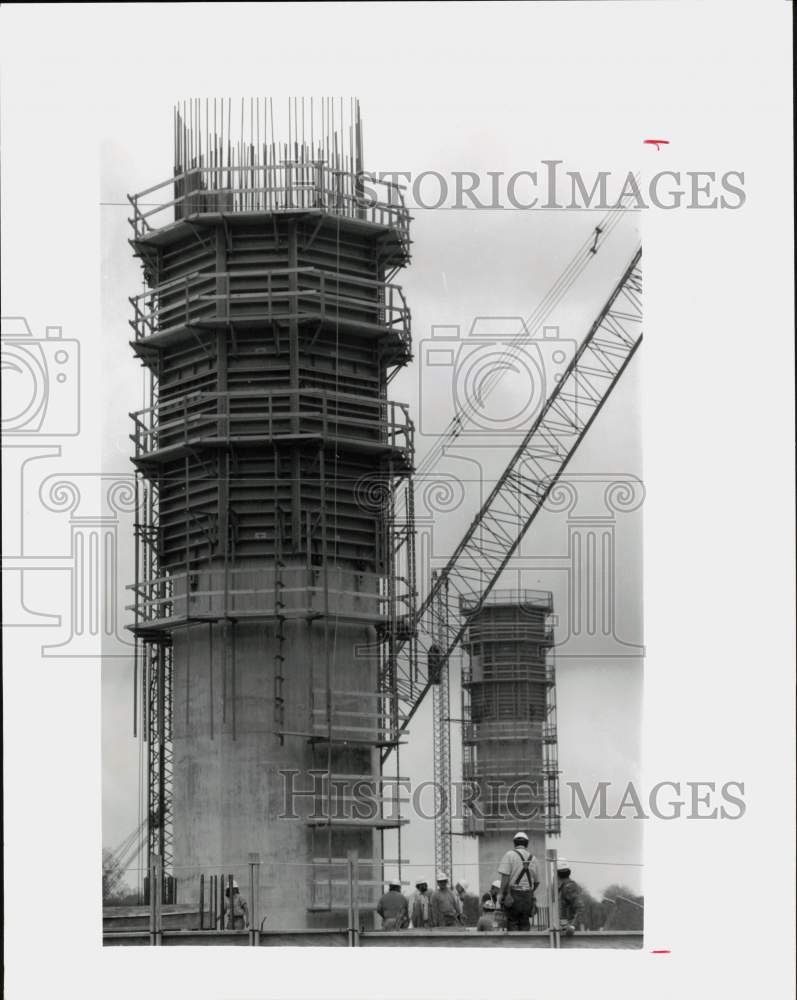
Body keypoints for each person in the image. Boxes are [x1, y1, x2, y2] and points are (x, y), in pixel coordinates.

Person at [497, 831, 539, 931]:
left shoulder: (509, 855)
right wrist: (530, 893)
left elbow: (505, 877)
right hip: (528, 897)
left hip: (513, 896)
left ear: (514, 843)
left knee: (512, 923)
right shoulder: (533, 859)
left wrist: (501, 894)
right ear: (527, 844)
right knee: (525, 924)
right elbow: (537, 882)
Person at [556, 860, 584, 936]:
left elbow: (580, 908)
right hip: (564, 930)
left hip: (569, 932)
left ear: (557, 874)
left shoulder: (570, 887)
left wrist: (572, 926)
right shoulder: (563, 887)